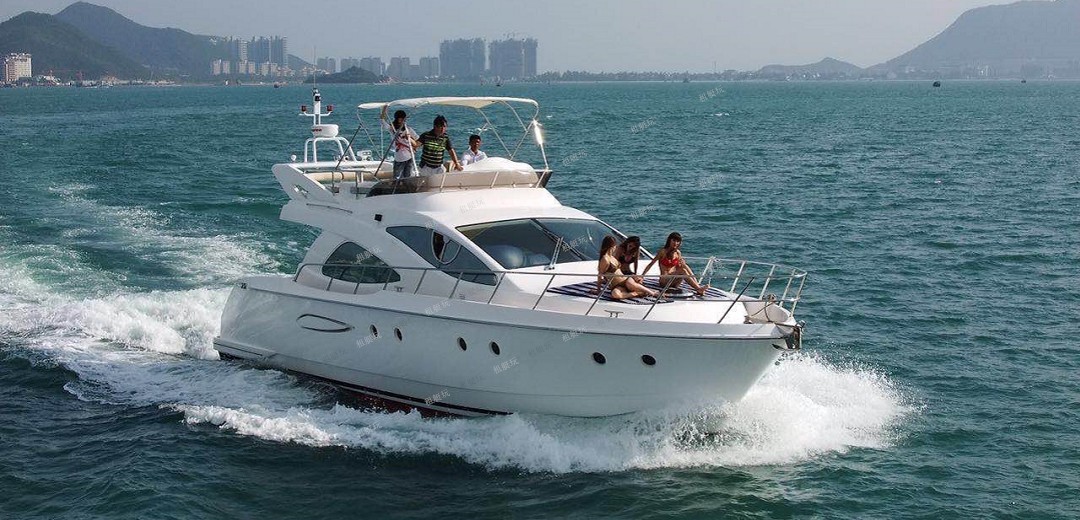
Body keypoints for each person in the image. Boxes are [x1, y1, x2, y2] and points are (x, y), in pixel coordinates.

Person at [642, 232, 710, 296]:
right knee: (683, 270)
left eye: (678, 241)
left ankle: (697, 286)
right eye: (674, 240)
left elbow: (683, 267)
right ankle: (698, 289)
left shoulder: (678, 253)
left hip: (675, 282)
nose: (675, 243)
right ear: (669, 240)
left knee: (684, 266)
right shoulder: (663, 252)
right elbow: (651, 264)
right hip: (664, 281)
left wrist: (683, 265)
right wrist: (642, 276)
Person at [597, 235, 657, 300]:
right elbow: (600, 275)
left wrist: (635, 274)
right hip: (617, 285)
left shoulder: (611, 257)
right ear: (611, 246)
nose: (615, 247)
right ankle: (636, 293)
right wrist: (598, 290)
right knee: (615, 294)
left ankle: (653, 293)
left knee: (630, 284)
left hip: (626, 280)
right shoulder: (605, 259)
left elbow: (635, 263)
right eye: (615, 246)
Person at [380, 107, 419, 179]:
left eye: (403, 119)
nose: (402, 120)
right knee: (397, 178)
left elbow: (418, 140)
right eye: (400, 119)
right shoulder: (392, 129)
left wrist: (409, 138)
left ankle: (406, 186)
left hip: (409, 156)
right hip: (399, 158)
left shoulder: (408, 129)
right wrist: (384, 110)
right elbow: (383, 121)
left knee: (407, 177)